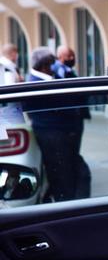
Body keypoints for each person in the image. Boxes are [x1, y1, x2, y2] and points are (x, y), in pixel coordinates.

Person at [26, 47, 91, 201]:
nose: (54, 66)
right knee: (65, 177)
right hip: (53, 136)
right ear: (44, 65)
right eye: (51, 63)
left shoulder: (50, 79)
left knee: (75, 174)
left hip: (63, 134)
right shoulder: (36, 83)